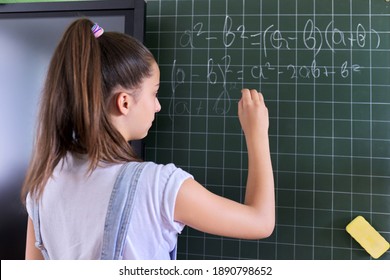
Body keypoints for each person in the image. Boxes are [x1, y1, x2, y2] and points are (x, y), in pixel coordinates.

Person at [21, 18, 275, 260]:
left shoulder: (42, 187)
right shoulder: (156, 186)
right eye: (154, 93)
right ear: (124, 102)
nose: (158, 106)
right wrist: (257, 135)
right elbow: (260, 222)